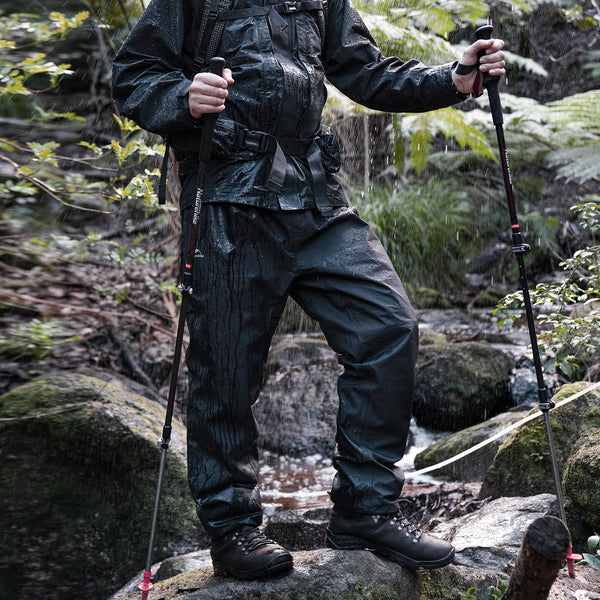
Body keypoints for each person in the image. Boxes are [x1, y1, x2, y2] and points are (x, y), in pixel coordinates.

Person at [112, 0, 505, 581]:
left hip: (315, 196)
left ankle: (365, 511)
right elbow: (134, 75)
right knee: (226, 366)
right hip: (228, 196)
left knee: (388, 325)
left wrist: (454, 78)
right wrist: (181, 98)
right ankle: (232, 528)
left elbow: (367, 71)